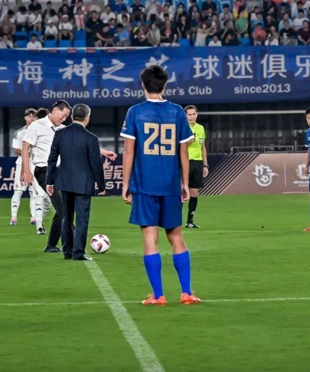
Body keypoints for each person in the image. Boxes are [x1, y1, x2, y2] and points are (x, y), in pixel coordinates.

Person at [120, 65, 201, 305]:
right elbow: (183, 151)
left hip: (145, 184)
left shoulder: (135, 112)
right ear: (164, 86)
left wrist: (125, 184)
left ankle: (158, 295)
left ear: (143, 85)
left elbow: (129, 151)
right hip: (170, 184)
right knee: (176, 236)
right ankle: (186, 292)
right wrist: (184, 183)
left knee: (149, 238)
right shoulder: (177, 112)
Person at [46, 104, 106, 261]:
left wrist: (49, 181)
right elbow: (96, 163)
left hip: (64, 182)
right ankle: (78, 252)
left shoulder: (60, 135)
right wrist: (101, 185)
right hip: (83, 184)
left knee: (66, 216)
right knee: (82, 219)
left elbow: (52, 159)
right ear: (87, 118)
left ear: (72, 117)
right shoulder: (91, 138)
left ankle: (67, 251)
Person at [21, 101, 71, 247]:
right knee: (63, 208)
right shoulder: (37, 125)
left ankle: (51, 245)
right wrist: (26, 171)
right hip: (44, 172)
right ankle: (74, 243)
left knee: (62, 209)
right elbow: (25, 148)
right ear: (55, 110)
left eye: (67, 116)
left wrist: (104, 152)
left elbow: (82, 141)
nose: (64, 119)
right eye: (63, 115)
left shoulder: (63, 129)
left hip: (61, 172)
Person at [10, 108, 38, 226]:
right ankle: (14, 217)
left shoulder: (40, 131)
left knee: (34, 192)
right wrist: (25, 153)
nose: (31, 118)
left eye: (33, 116)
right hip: (21, 162)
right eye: (29, 116)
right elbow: (16, 150)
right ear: (25, 117)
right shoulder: (20, 132)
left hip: (35, 163)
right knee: (18, 190)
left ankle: (33, 217)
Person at [183, 105, 208, 229]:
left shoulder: (201, 128)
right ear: (185, 116)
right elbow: (178, 147)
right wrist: (188, 141)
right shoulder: (182, 128)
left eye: (193, 114)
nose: (192, 116)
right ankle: (174, 220)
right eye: (189, 114)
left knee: (194, 192)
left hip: (197, 163)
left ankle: (190, 221)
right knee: (181, 193)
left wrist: (205, 165)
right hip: (185, 162)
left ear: (197, 115)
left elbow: (203, 147)